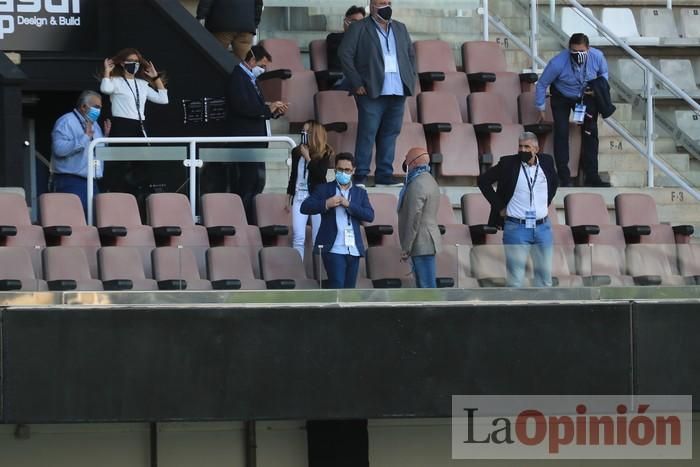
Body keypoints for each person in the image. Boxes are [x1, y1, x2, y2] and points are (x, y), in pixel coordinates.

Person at [339, 0, 417, 187]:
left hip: (397, 89)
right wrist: (356, 82)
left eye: (388, 2)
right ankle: (360, 177)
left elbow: (410, 55)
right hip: (372, 90)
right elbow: (344, 54)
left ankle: (384, 176)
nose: (386, 6)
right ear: (372, 5)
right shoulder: (359, 27)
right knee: (368, 133)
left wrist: (410, 78)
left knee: (390, 134)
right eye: (382, 2)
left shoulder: (400, 27)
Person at [478, 132, 559, 287]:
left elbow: (554, 183)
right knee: (516, 279)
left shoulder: (547, 162)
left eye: (527, 146)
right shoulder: (508, 163)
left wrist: (545, 203)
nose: (523, 150)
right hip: (517, 227)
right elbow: (483, 181)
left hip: (543, 227)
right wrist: (500, 206)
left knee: (544, 278)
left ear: (536, 148)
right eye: (520, 146)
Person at [219, 44, 288, 220]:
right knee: (247, 182)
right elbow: (242, 106)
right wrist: (266, 109)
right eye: (262, 65)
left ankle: (250, 217)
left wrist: (273, 111)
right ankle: (241, 218)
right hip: (245, 140)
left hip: (256, 140)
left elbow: (255, 108)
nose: (263, 69)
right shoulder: (237, 77)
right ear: (251, 60)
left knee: (257, 182)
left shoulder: (250, 79)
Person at [535, 33, 611, 187]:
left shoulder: (597, 57)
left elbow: (603, 74)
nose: (578, 55)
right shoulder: (558, 63)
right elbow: (542, 84)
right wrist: (541, 107)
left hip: (584, 96)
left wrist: (597, 89)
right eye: (574, 52)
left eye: (581, 52)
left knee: (590, 133)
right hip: (562, 96)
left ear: (588, 49)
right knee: (562, 132)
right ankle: (564, 176)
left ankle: (592, 176)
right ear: (569, 50)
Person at [100, 48, 169, 196]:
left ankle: (136, 195)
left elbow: (163, 99)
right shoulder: (116, 81)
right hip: (121, 126)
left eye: (137, 61)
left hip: (139, 126)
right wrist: (107, 71)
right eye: (131, 61)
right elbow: (105, 89)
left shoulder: (142, 84)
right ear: (123, 63)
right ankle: (117, 195)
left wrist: (156, 78)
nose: (134, 64)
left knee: (144, 166)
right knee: (119, 167)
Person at [300, 153, 374, 289]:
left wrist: (349, 205)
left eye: (347, 170)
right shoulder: (324, 189)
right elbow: (305, 207)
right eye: (340, 169)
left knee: (350, 289)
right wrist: (326, 203)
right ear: (335, 170)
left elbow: (369, 215)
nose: (343, 173)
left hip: (353, 249)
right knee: (337, 286)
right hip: (333, 247)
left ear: (353, 171)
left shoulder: (360, 193)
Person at [50, 91, 110, 217]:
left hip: (92, 182)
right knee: (75, 220)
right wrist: (84, 137)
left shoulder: (95, 125)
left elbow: (95, 152)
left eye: (100, 108)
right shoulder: (67, 121)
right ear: (83, 106)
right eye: (96, 107)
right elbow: (59, 150)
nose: (98, 111)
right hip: (72, 181)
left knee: (95, 220)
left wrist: (104, 138)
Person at [287, 120, 334, 261]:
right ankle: (298, 269)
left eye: (306, 132)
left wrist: (308, 158)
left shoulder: (325, 151)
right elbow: (294, 175)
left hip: (317, 198)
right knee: (298, 236)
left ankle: (319, 271)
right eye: (302, 132)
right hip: (299, 197)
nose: (303, 135)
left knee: (317, 237)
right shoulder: (296, 151)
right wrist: (288, 195)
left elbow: (320, 174)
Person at [397, 147, 441, 288]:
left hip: (420, 243)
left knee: (425, 287)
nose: (406, 164)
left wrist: (406, 247)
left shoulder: (416, 183)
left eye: (407, 160)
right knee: (427, 285)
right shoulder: (430, 180)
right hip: (428, 241)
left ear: (414, 163)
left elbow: (413, 219)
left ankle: (431, 311)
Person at [196, 0, 264, 60]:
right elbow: (259, 5)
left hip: (221, 26)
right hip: (246, 28)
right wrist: (255, 23)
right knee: (243, 61)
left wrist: (200, 16)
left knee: (216, 57)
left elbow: (206, 1)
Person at [325, 5, 366, 90]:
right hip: (342, 79)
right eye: (354, 22)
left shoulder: (365, 40)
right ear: (346, 22)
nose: (357, 26)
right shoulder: (334, 38)